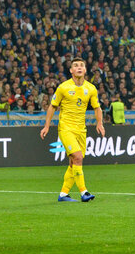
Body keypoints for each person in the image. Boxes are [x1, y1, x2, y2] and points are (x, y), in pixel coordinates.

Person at [40, 57, 105, 202]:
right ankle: (84, 192)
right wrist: (46, 126)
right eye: (76, 66)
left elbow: (97, 108)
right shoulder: (63, 87)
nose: (79, 67)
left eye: (82, 65)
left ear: (85, 69)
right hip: (66, 128)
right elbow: (52, 106)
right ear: (71, 70)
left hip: (81, 130)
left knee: (73, 163)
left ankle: (63, 194)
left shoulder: (91, 88)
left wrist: (99, 123)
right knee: (78, 157)